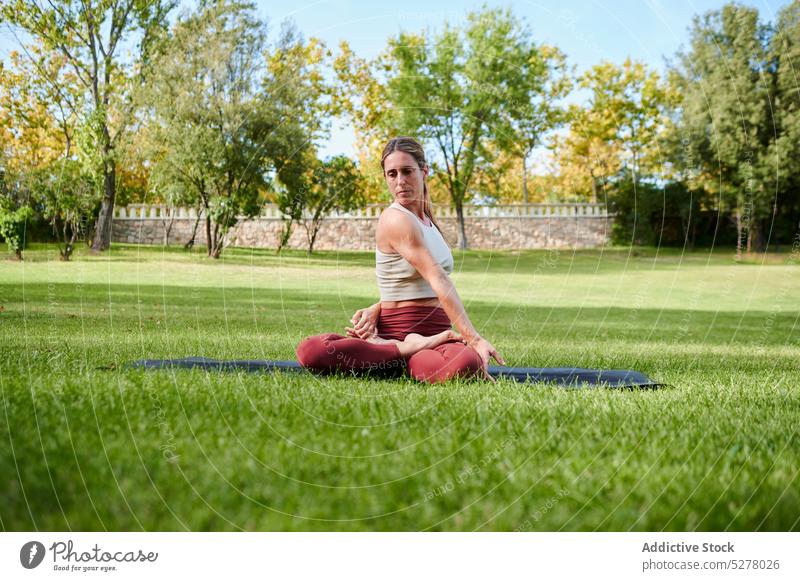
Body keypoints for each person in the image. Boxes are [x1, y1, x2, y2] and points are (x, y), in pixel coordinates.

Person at [295, 136, 504, 383]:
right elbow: (436, 276)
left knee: (466, 364)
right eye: (391, 174)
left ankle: (395, 357)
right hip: (397, 331)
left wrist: (378, 306)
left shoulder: (428, 222)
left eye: (407, 171)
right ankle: (402, 350)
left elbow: (411, 281)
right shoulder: (396, 219)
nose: (400, 181)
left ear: (424, 172)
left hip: (435, 336)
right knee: (312, 350)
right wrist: (473, 338)